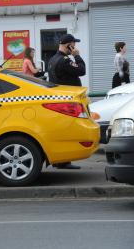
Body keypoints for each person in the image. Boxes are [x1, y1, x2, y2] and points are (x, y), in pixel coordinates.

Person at [48, 34, 86, 170]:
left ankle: (60, 161)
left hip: (59, 100)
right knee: (68, 132)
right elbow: (82, 71)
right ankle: (64, 161)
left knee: (61, 131)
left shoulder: (52, 59)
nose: (75, 47)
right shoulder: (64, 60)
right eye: (73, 44)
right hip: (68, 102)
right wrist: (77, 56)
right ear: (68, 45)